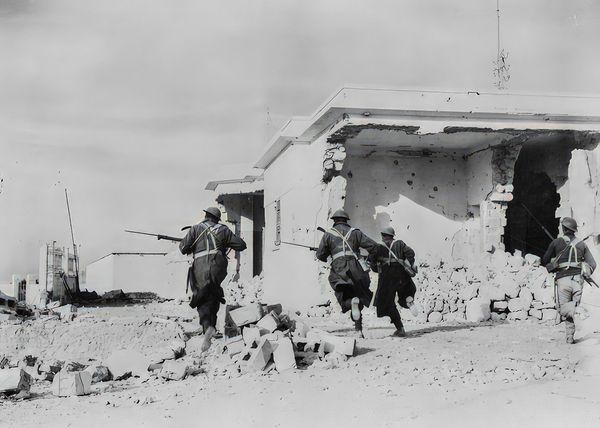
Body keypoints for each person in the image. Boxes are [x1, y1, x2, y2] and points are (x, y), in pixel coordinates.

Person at [179, 207, 247, 351]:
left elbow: (183, 248)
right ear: (217, 219)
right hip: (218, 267)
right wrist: (225, 243)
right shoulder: (224, 230)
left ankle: (207, 328)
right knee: (213, 295)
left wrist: (194, 246)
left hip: (200, 267)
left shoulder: (195, 229)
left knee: (202, 296)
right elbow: (241, 245)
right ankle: (212, 326)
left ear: (205, 216)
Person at [316, 209, 378, 337]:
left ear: (334, 221)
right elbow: (374, 247)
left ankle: (350, 303)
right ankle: (358, 330)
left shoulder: (328, 234)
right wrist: (369, 261)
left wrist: (331, 252)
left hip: (340, 270)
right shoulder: (355, 233)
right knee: (359, 295)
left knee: (342, 293)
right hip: (357, 269)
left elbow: (320, 255)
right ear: (346, 220)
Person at [541, 217, 596, 344]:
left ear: (564, 229)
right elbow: (592, 263)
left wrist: (556, 260)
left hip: (563, 280)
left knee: (563, 309)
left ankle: (573, 320)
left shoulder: (556, 242)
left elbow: (545, 260)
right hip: (578, 281)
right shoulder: (582, 244)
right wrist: (587, 272)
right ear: (574, 230)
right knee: (572, 308)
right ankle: (570, 337)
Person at [369, 227, 417, 337]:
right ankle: (408, 300)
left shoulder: (378, 247)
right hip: (401, 274)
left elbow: (372, 262)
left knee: (388, 303)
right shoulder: (399, 243)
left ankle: (400, 329)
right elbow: (410, 253)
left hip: (386, 277)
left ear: (383, 235)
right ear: (392, 235)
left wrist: (377, 269)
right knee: (406, 290)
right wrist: (409, 263)